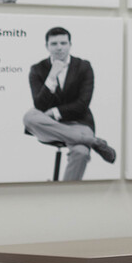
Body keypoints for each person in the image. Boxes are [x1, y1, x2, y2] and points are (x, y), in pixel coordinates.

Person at [22, 27, 116, 181]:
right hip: (49, 126)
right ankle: (93, 141)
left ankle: (66, 193)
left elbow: (82, 104)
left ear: (70, 44)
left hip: (78, 122)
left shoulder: (84, 66)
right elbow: (39, 105)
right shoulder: (37, 69)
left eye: (63, 43)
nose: (59, 47)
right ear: (47, 46)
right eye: (54, 44)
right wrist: (52, 76)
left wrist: (54, 111)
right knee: (29, 117)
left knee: (81, 152)